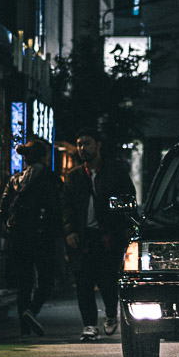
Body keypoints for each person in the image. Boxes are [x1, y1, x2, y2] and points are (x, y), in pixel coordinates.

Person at [62, 131, 130, 341]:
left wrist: (124, 228)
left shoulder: (115, 172)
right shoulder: (74, 176)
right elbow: (66, 207)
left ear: (97, 145)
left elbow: (128, 198)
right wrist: (69, 230)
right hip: (84, 236)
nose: (83, 148)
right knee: (83, 281)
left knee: (108, 281)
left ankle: (111, 314)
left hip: (108, 237)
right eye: (79, 144)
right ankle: (89, 324)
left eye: (87, 144)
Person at [1, 136, 62, 336]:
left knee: (24, 284)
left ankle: (24, 329)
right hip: (43, 237)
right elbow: (56, 209)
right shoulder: (49, 177)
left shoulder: (14, 180)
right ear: (44, 156)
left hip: (19, 238)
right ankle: (32, 310)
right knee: (47, 281)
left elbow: (2, 208)